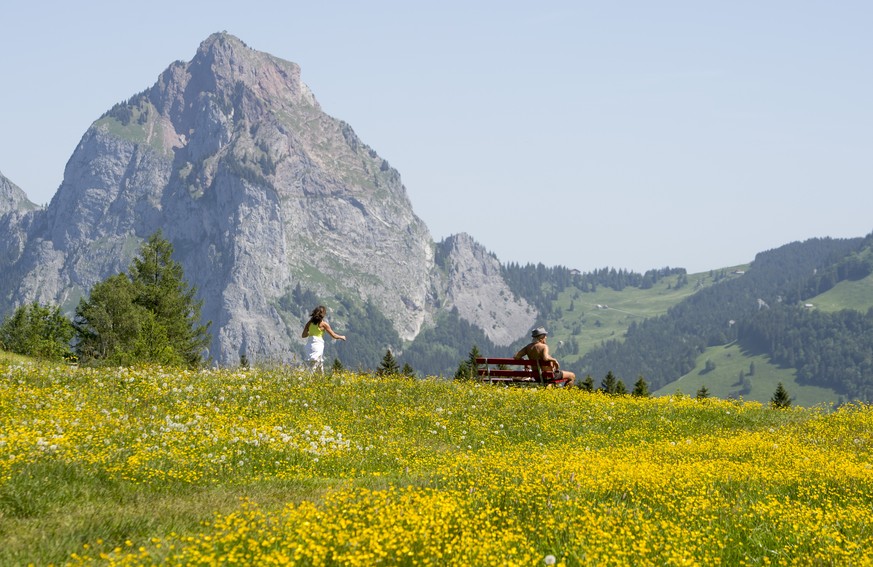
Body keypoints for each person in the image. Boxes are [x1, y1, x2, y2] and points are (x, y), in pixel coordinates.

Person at [301, 305, 346, 373]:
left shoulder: (309, 323)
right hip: (317, 344)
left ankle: (321, 380)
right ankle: (309, 380)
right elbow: (333, 335)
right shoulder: (323, 324)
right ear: (323, 314)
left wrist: (310, 333)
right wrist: (342, 337)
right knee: (314, 365)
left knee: (317, 363)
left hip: (309, 345)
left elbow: (303, 335)